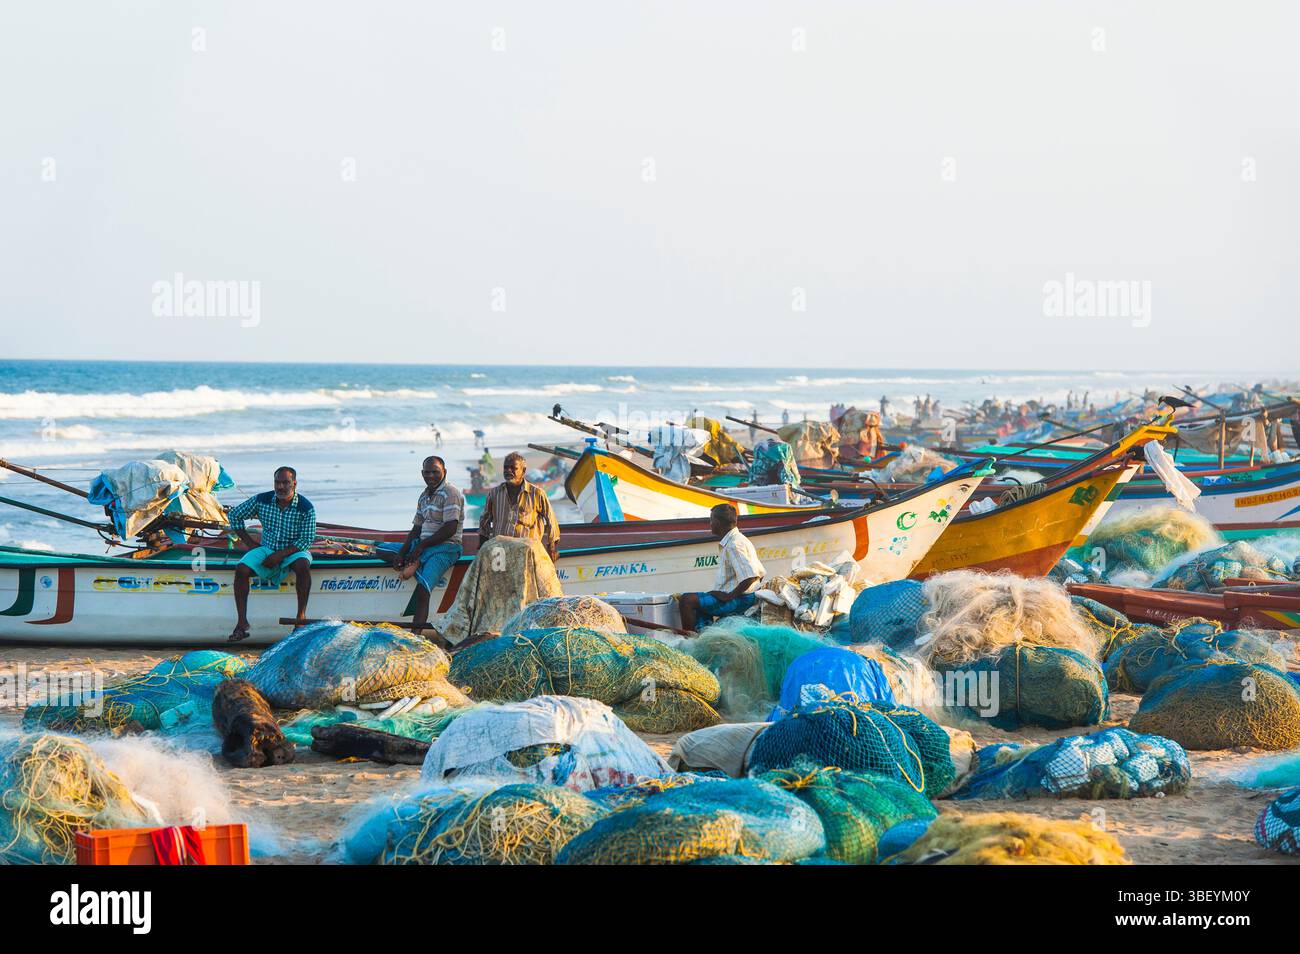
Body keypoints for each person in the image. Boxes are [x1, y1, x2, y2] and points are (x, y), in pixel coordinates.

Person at [226, 466, 316, 641]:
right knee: (241, 569)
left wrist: (280, 555)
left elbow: (306, 540)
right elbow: (235, 515)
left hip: (293, 550)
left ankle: (300, 618)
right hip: (266, 548)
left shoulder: (306, 507)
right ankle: (242, 623)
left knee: (303, 565)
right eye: (277, 482)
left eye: (285, 483)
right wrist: (250, 543)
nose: (281, 487)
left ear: (294, 484)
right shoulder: (262, 500)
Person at [378, 455, 464, 636]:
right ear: (422, 473)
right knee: (381, 549)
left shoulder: (451, 493)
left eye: (435, 472)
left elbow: (450, 528)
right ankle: (413, 563)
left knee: (423, 590)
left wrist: (420, 547)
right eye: (427, 472)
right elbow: (416, 528)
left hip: (446, 548)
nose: (431, 476)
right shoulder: (424, 496)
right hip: (422, 546)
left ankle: (415, 637)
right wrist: (402, 553)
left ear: (444, 472)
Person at [678, 503, 766, 632]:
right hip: (743, 597)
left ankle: (689, 639)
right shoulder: (740, 539)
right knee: (703, 601)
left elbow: (751, 576)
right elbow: (760, 574)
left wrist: (729, 596)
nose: (710, 524)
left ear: (718, 523)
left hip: (740, 600)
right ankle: (704, 634)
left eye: (711, 520)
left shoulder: (734, 544)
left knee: (686, 600)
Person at [480, 451, 560, 561]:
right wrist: (482, 549)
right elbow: (484, 521)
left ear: (523, 471)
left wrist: (552, 548)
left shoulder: (537, 493)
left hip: (526, 552)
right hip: (500, 552)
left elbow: (551, 521)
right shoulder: (494, 494)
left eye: (513, 468)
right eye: (506, 467)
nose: (508, 470)